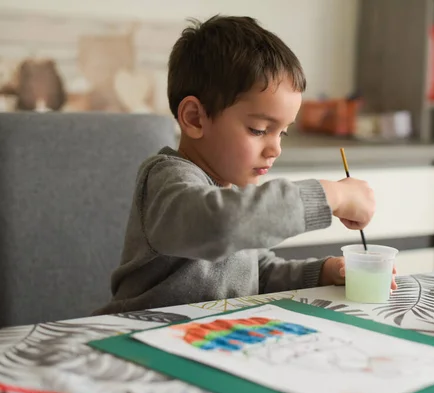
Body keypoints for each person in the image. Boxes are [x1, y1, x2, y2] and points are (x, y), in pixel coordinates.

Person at [93, 15, 396, 315]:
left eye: (283, 132)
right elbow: (221, 225)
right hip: (132, 339)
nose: (275, 148)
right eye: (259, 130)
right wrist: (332, 195)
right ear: (195, 118)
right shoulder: (167, 181)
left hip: (207, 342)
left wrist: (322, 272)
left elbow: (256, 275)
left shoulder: (233, 192)